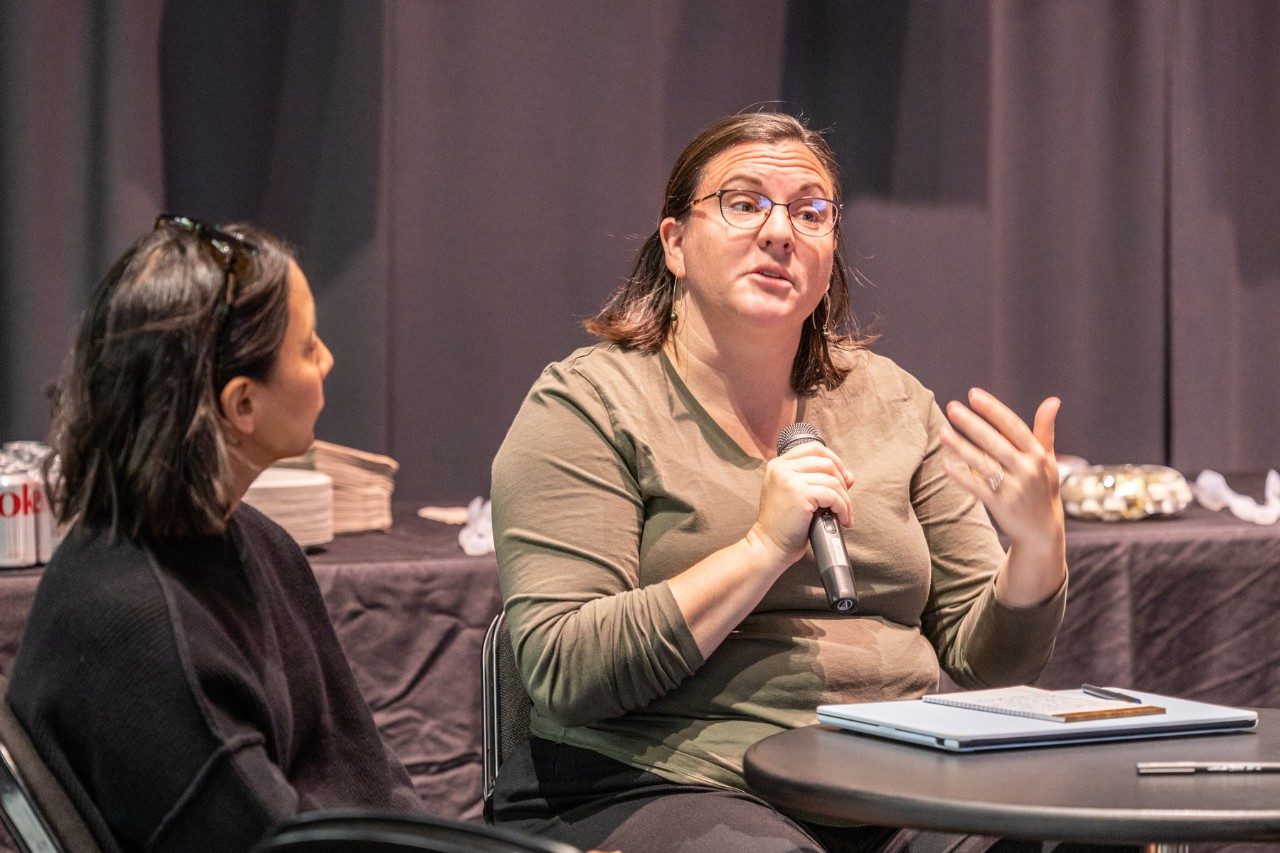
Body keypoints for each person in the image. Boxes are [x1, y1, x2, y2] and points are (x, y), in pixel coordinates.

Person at [489, 113, 1070, 853]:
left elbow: (988, 659)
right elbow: (567, 669)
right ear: (675, 244)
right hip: (661, 780)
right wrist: (762, 546)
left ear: (829, 254)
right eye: (743, 202)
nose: (779, 230)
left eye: (810, 211)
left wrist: (1036, 551)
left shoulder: (894, 403)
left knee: (1075, 832)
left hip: (894, 784)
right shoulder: (587, 405)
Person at [6, 216, 421, 851]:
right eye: (308, 347)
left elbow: (369, 781)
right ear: (241, 405)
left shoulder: (259, 545)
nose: (328, 360)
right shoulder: (141, 632)